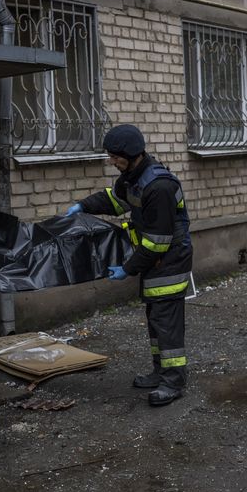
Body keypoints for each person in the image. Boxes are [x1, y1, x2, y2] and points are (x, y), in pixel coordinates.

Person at [66, 124, 192, 407]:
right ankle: (161, 372)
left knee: (166, 322)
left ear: (131, 154)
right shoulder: (132, 177)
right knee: (155, 319)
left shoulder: (159, 186)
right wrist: (83, 206)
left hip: (168, 260)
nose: (112, 161)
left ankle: (174, 381)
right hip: (154, 260)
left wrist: (128, 268)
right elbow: (114, 199)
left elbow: (158, 242)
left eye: (115, 156)